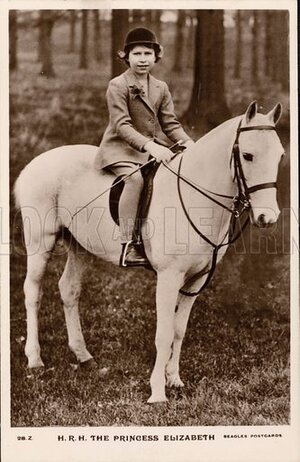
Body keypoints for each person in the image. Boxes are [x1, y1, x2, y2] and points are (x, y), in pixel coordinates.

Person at [94, 27, 194, 267]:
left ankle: (162, 236)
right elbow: (121, 126)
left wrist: (189, 143)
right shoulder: (117, 85)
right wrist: (151, 146)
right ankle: (128, 244)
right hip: (119, 148)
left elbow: (170, 124)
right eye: (137, 53)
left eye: (148, 53)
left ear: (156, 56)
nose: (142, 59)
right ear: (126, 56)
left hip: (149, 149)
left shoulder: (161, 87)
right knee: (134, 180)